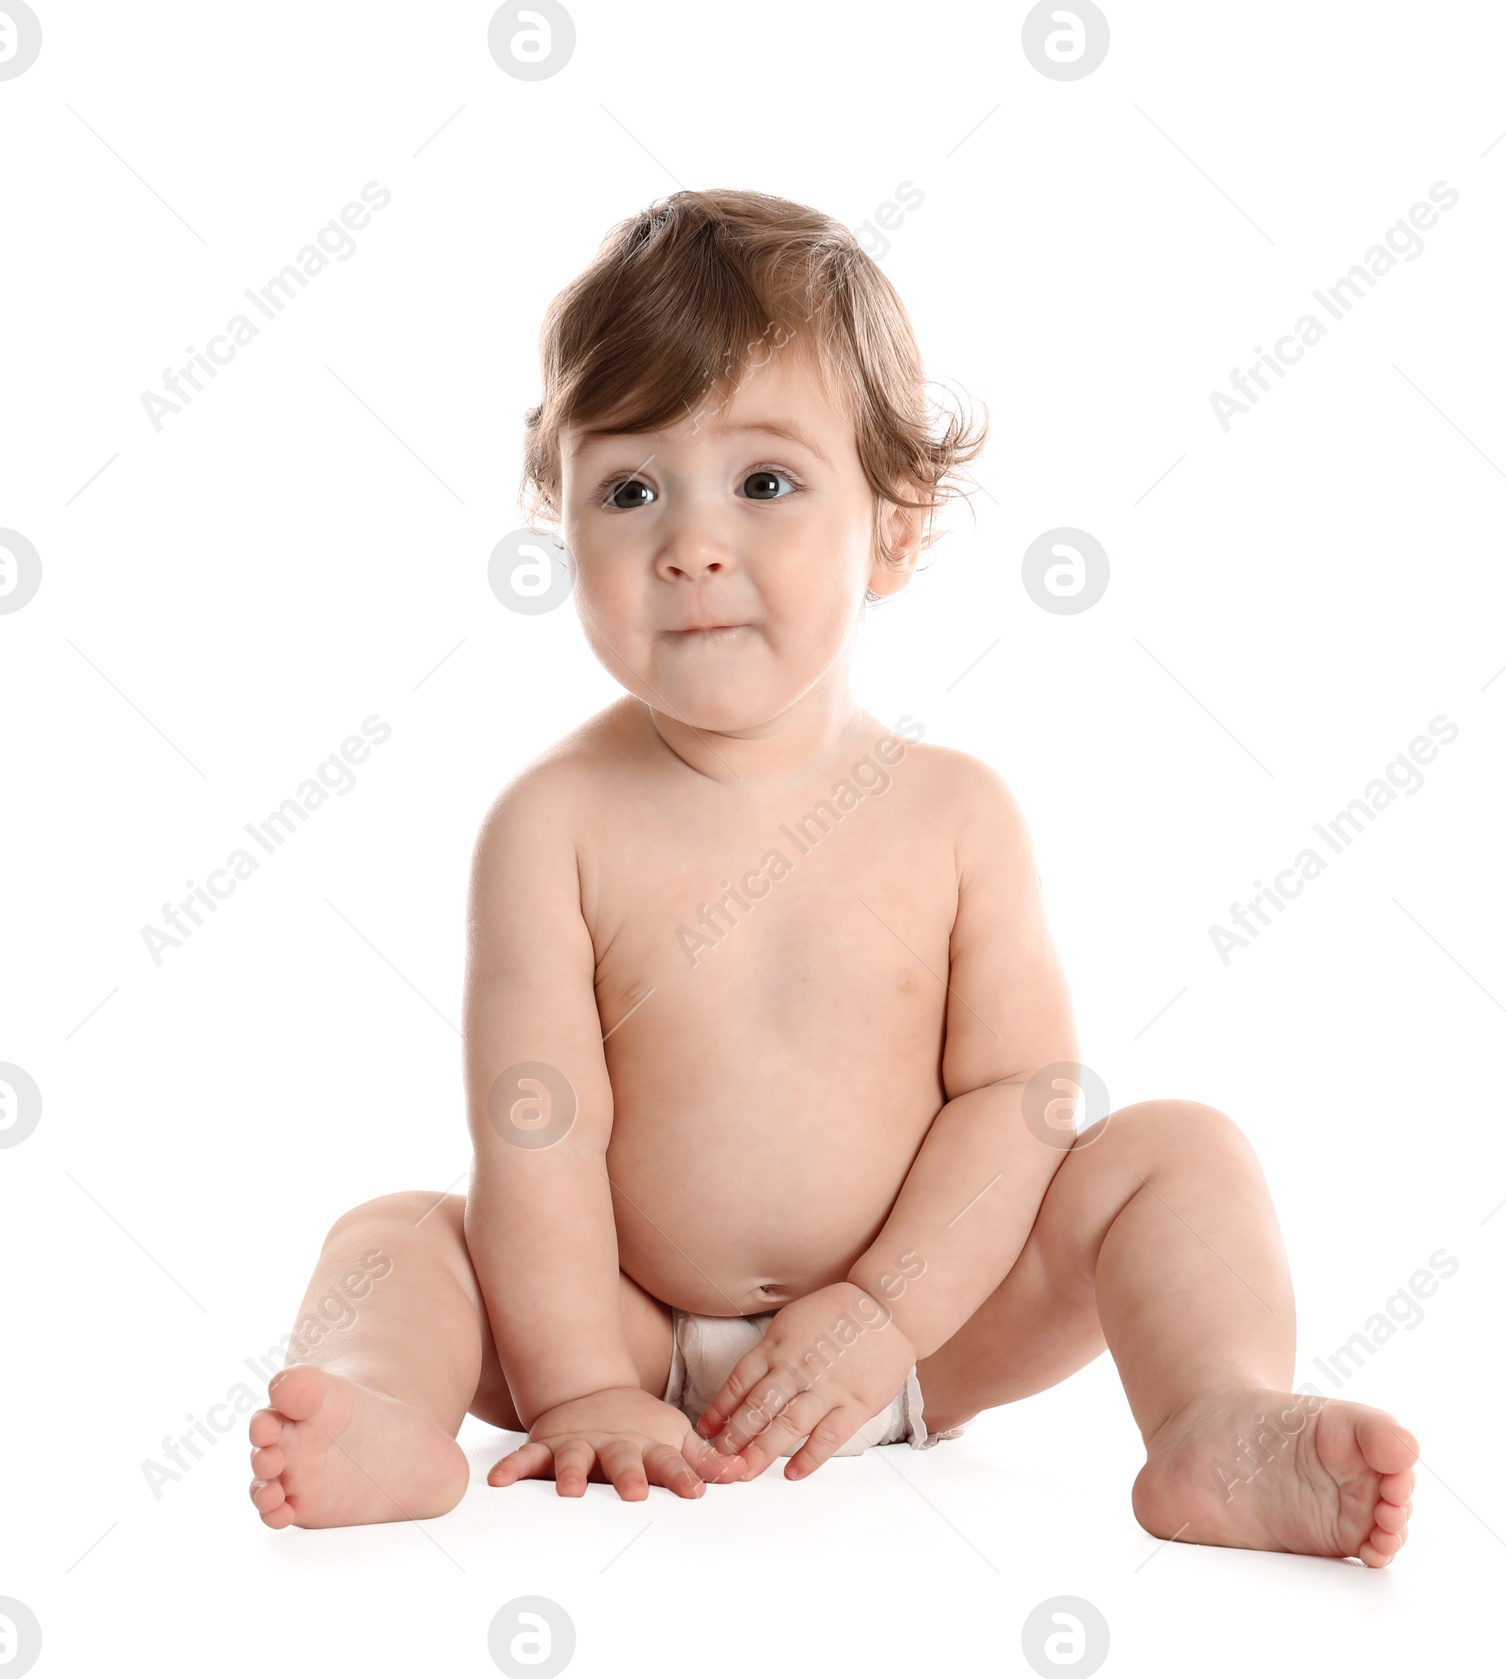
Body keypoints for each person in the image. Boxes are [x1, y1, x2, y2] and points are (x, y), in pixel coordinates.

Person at [247, 188, 1416, 1565]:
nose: (690, 542)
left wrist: (885, 1310)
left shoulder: (955, 814)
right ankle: (388, 1415)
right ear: (561, 520)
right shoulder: (550, 824)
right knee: (390, 1240)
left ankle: (1221, 1421)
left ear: (897, 526)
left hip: (934, 1332)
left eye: (765, 481)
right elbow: (536, 1129)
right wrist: (582, 1385)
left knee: (1180, 1155)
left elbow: (1016, 1099)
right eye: (629, 489)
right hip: (619, 1323)